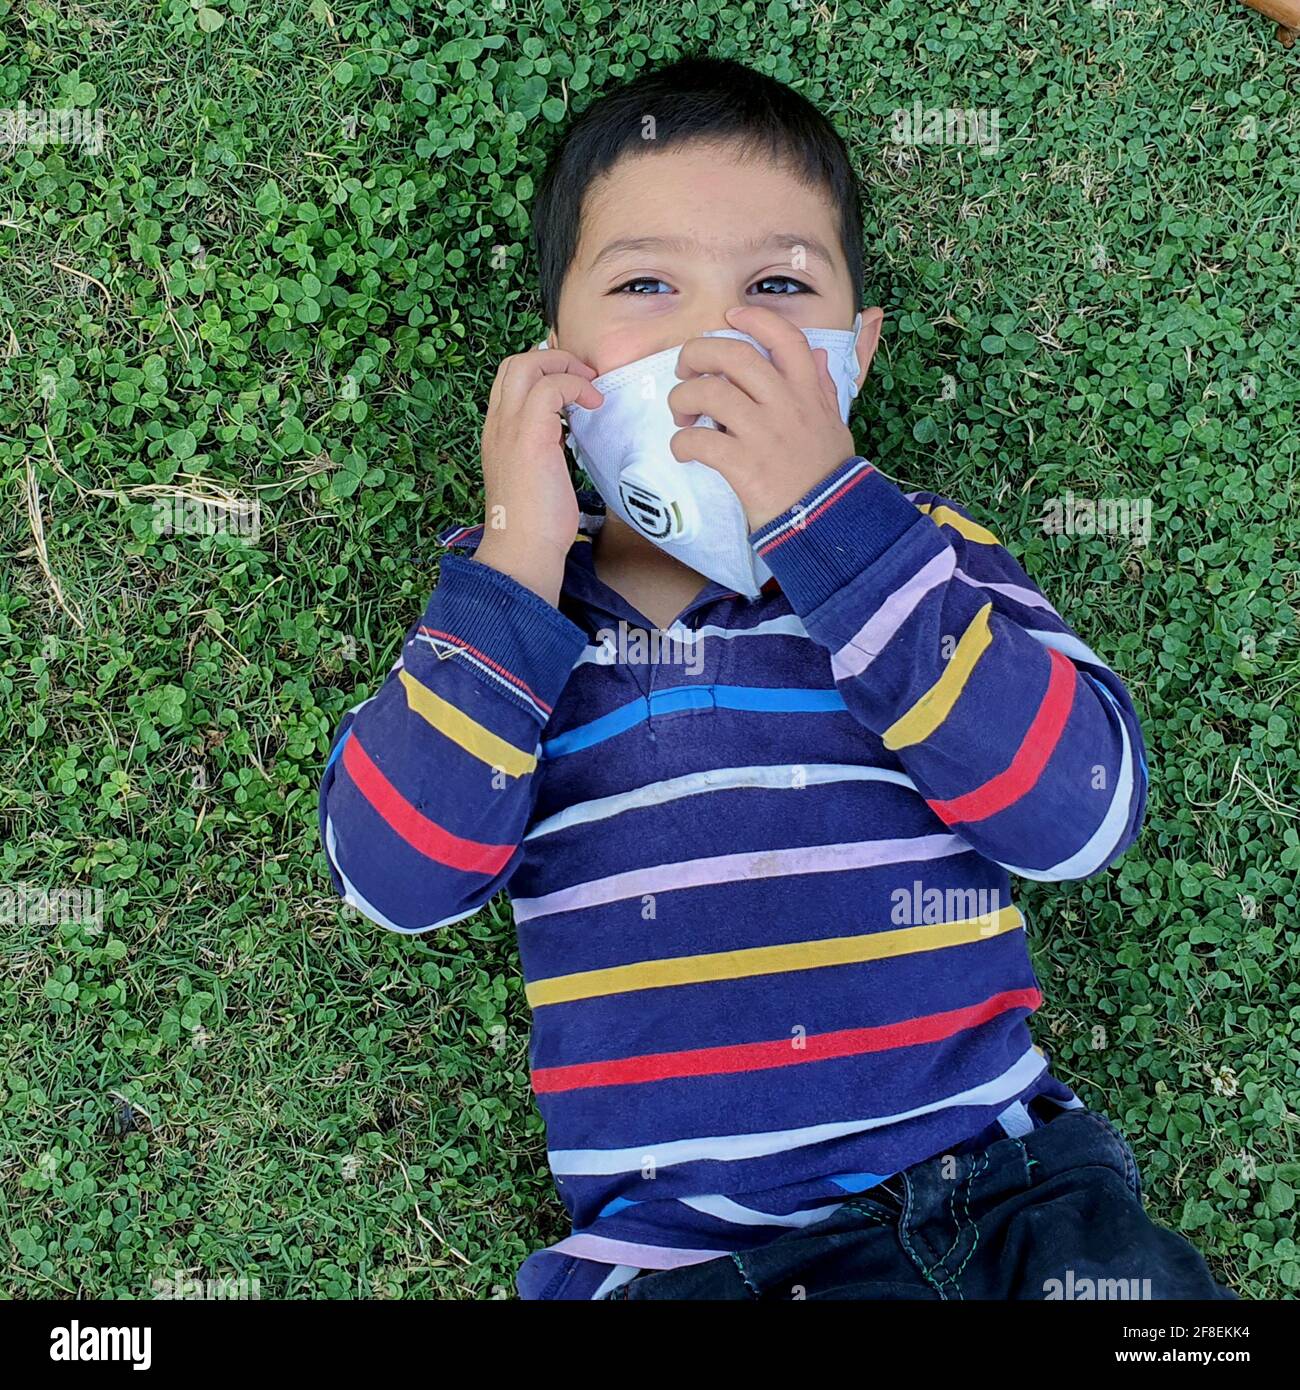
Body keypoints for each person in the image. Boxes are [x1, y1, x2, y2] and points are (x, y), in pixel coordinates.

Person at [318, 55, 1234, 1301]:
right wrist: (516, 552)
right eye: (647, 283)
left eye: (775, 286)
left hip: (1010, 1201)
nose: (714, 338)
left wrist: (841, 528)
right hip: (687, 1260)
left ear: (853, 352)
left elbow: (1080, 818)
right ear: (557, 363)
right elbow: (397, 881)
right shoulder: (509, 608)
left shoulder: (923, 554)